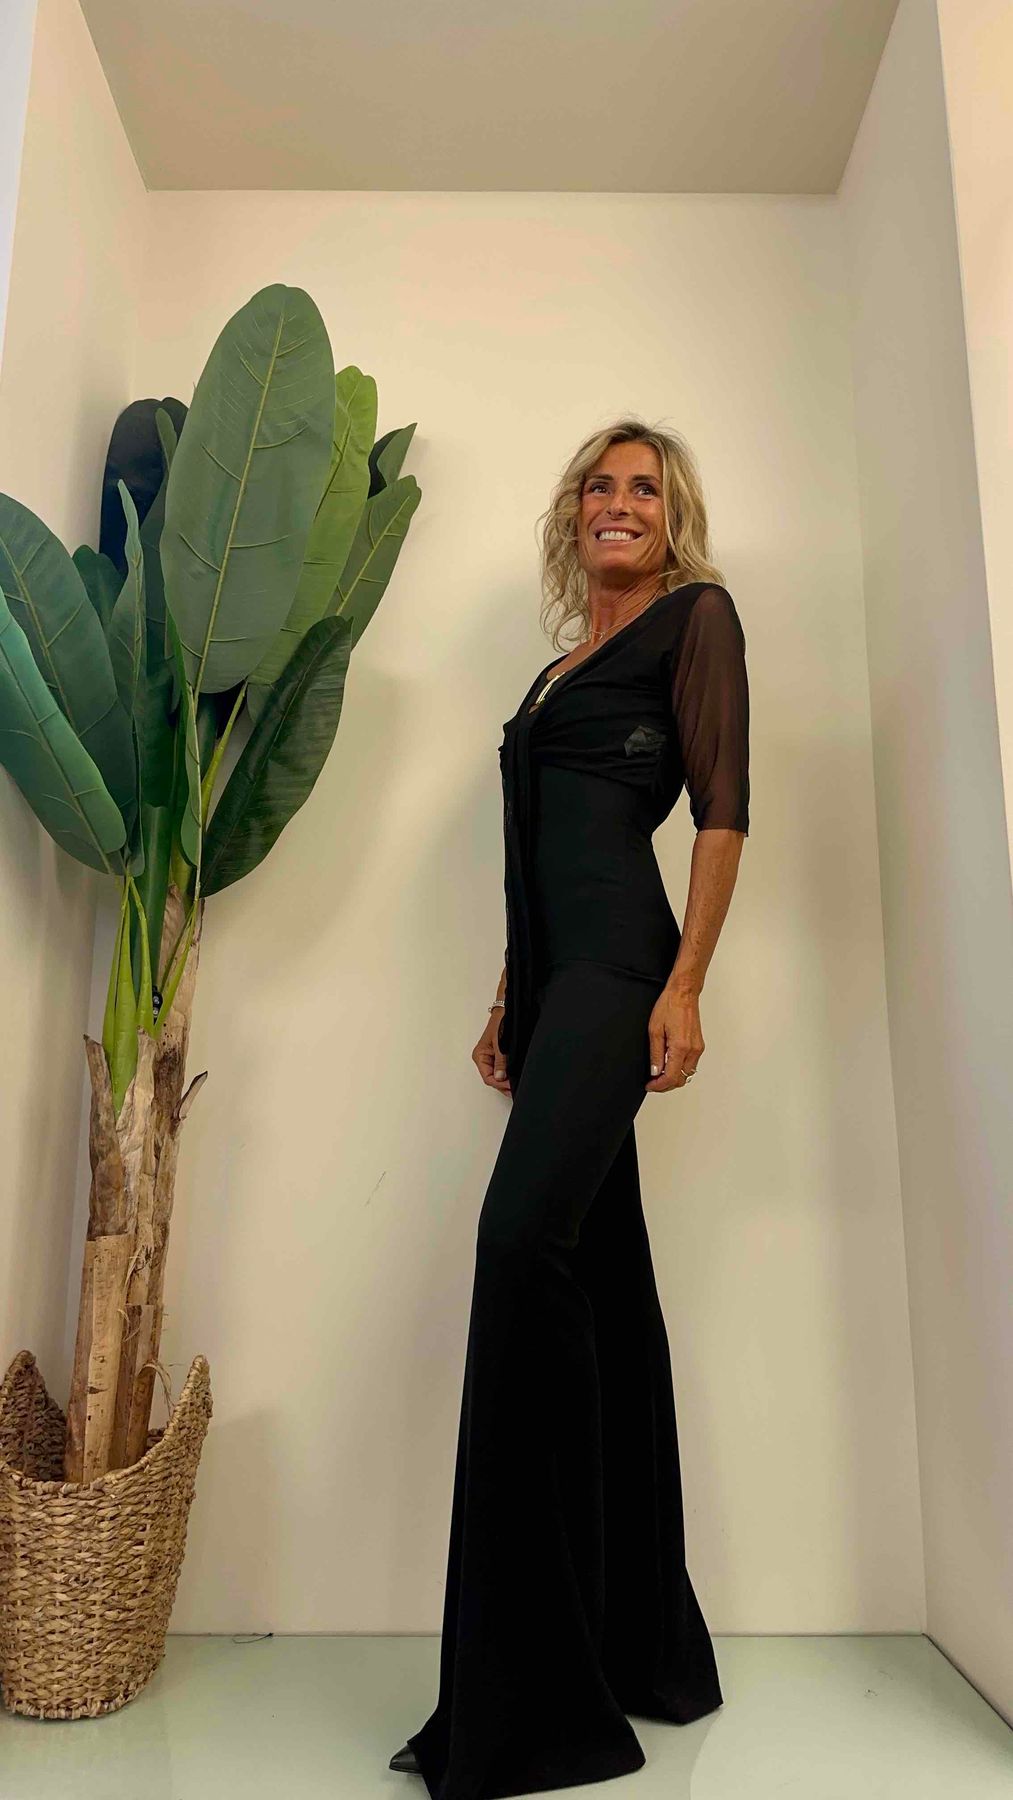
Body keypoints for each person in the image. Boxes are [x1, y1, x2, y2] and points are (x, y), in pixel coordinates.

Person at [390, 418, 750, 1799]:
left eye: (643, 489)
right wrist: (508, 993)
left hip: (620, 973)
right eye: (599, 486)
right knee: (600, 1285)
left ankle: (533, 1698)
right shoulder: (556, 670)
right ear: (571, 514)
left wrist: (687, 984)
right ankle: (635, 1649)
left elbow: (721, 812)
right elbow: (537, 851)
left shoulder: (695, 622)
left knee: (517, 1251)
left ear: (672, 517)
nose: (619, 503)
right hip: (554, 990)